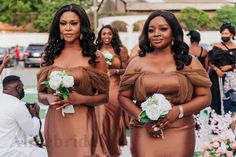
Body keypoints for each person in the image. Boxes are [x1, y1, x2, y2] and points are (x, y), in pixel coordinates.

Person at [118, 10, 212, 157]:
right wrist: (143, 120)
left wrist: (178, 111)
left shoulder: (189, 62)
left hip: (180, 130)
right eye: (151, 30)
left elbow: (205, 97)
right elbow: (123, 97)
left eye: (163, 29)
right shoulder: (136, 63)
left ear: (173, 32)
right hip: (144, 130)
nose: (156, 33)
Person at [37, 4, 110, 157]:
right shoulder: (48, 56)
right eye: (63, 23)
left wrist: (80, 99)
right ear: (58, 27)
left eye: (73, 23)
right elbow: (40, 95)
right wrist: (48, 97)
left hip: (82, 121)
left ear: (82, 26)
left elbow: (104, 97)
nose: (68, 28)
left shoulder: (95, 57)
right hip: (56, 121)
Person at [95, 25, 128, 156]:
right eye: (104, 34)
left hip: (114, 88)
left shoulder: (120, 50)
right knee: (100, 120)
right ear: (100, 36)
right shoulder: (95, 49)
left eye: (109, 34)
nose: (106, 37)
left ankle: (112, 149)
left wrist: (115, 71)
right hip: (99, 88)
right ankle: (101, 152)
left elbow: (127, 69)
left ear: (113, 35)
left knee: (113, 121)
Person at [0, 75, 47, 157]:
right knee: (46, 154)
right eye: (22, 87)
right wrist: (35, 115)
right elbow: (32, 132)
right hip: (11, 150)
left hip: (3, 147)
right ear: (18, 88)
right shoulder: (17, 105)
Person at [208, 23, 236, 115]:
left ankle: (229, 121)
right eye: (222, 33)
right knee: (216, 99)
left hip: (230, 79)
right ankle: (216, 122)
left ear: (231, 34)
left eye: (226, 34)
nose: (224, 36)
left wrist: (231, 66)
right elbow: (210, 61)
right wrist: (217, 70)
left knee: (230, 99)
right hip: (216, 77)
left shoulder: (235, 48)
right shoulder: (216, 46)